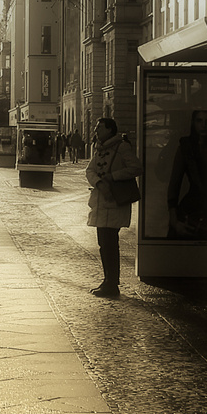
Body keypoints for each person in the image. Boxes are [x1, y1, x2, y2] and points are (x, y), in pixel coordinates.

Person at [84, 116, 143, 298]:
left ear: (110, 130)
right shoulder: (99, 149)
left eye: (99, 128)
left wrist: (113, 176)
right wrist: (99, 183)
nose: (96, 131)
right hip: (102, 201)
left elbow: (136, 168)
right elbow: (90, 170)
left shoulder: (122, 147)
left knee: (110, 243)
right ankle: (108, 280)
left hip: (115, 202)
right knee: (103, 244)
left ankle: (112, 283)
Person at [165, 109, 207, 240]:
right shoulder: (186, 147)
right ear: (193, 123)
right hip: (193, 208)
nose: (203, 125)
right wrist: (174, 220)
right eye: (199, 121)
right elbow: (174, 185)